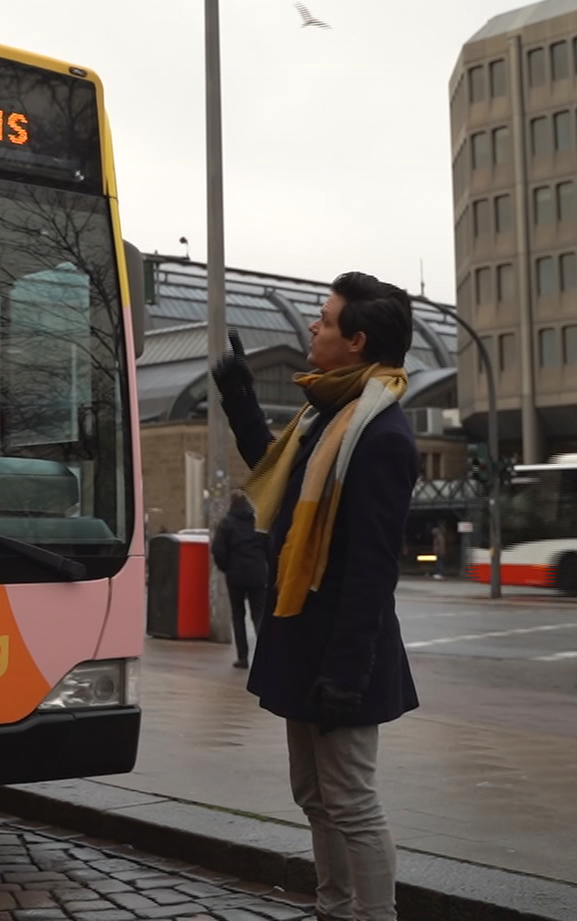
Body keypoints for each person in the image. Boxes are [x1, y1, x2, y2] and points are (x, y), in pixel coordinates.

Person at [212, 272, 419, 921]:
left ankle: (374, 915)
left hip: (340, 651)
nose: (312, 328)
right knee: (314, 794)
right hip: (301, 632)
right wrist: (241, 398)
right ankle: (333, 908)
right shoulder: (324, 415)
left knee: (351, 798)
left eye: (323, 321)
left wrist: (347, 672)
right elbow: (275, 473)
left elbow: (371, 569)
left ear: (355, 341)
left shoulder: (380, 436)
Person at [211, 489, 271, 668]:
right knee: (258, 615)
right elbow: (269, 545)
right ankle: (264, 657)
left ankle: (243, 658)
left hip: (235, 575)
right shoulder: (257, 522)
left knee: (238, 616)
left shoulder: (227, 524)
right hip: (258, 574)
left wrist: (226, 567)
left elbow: (218, 549)